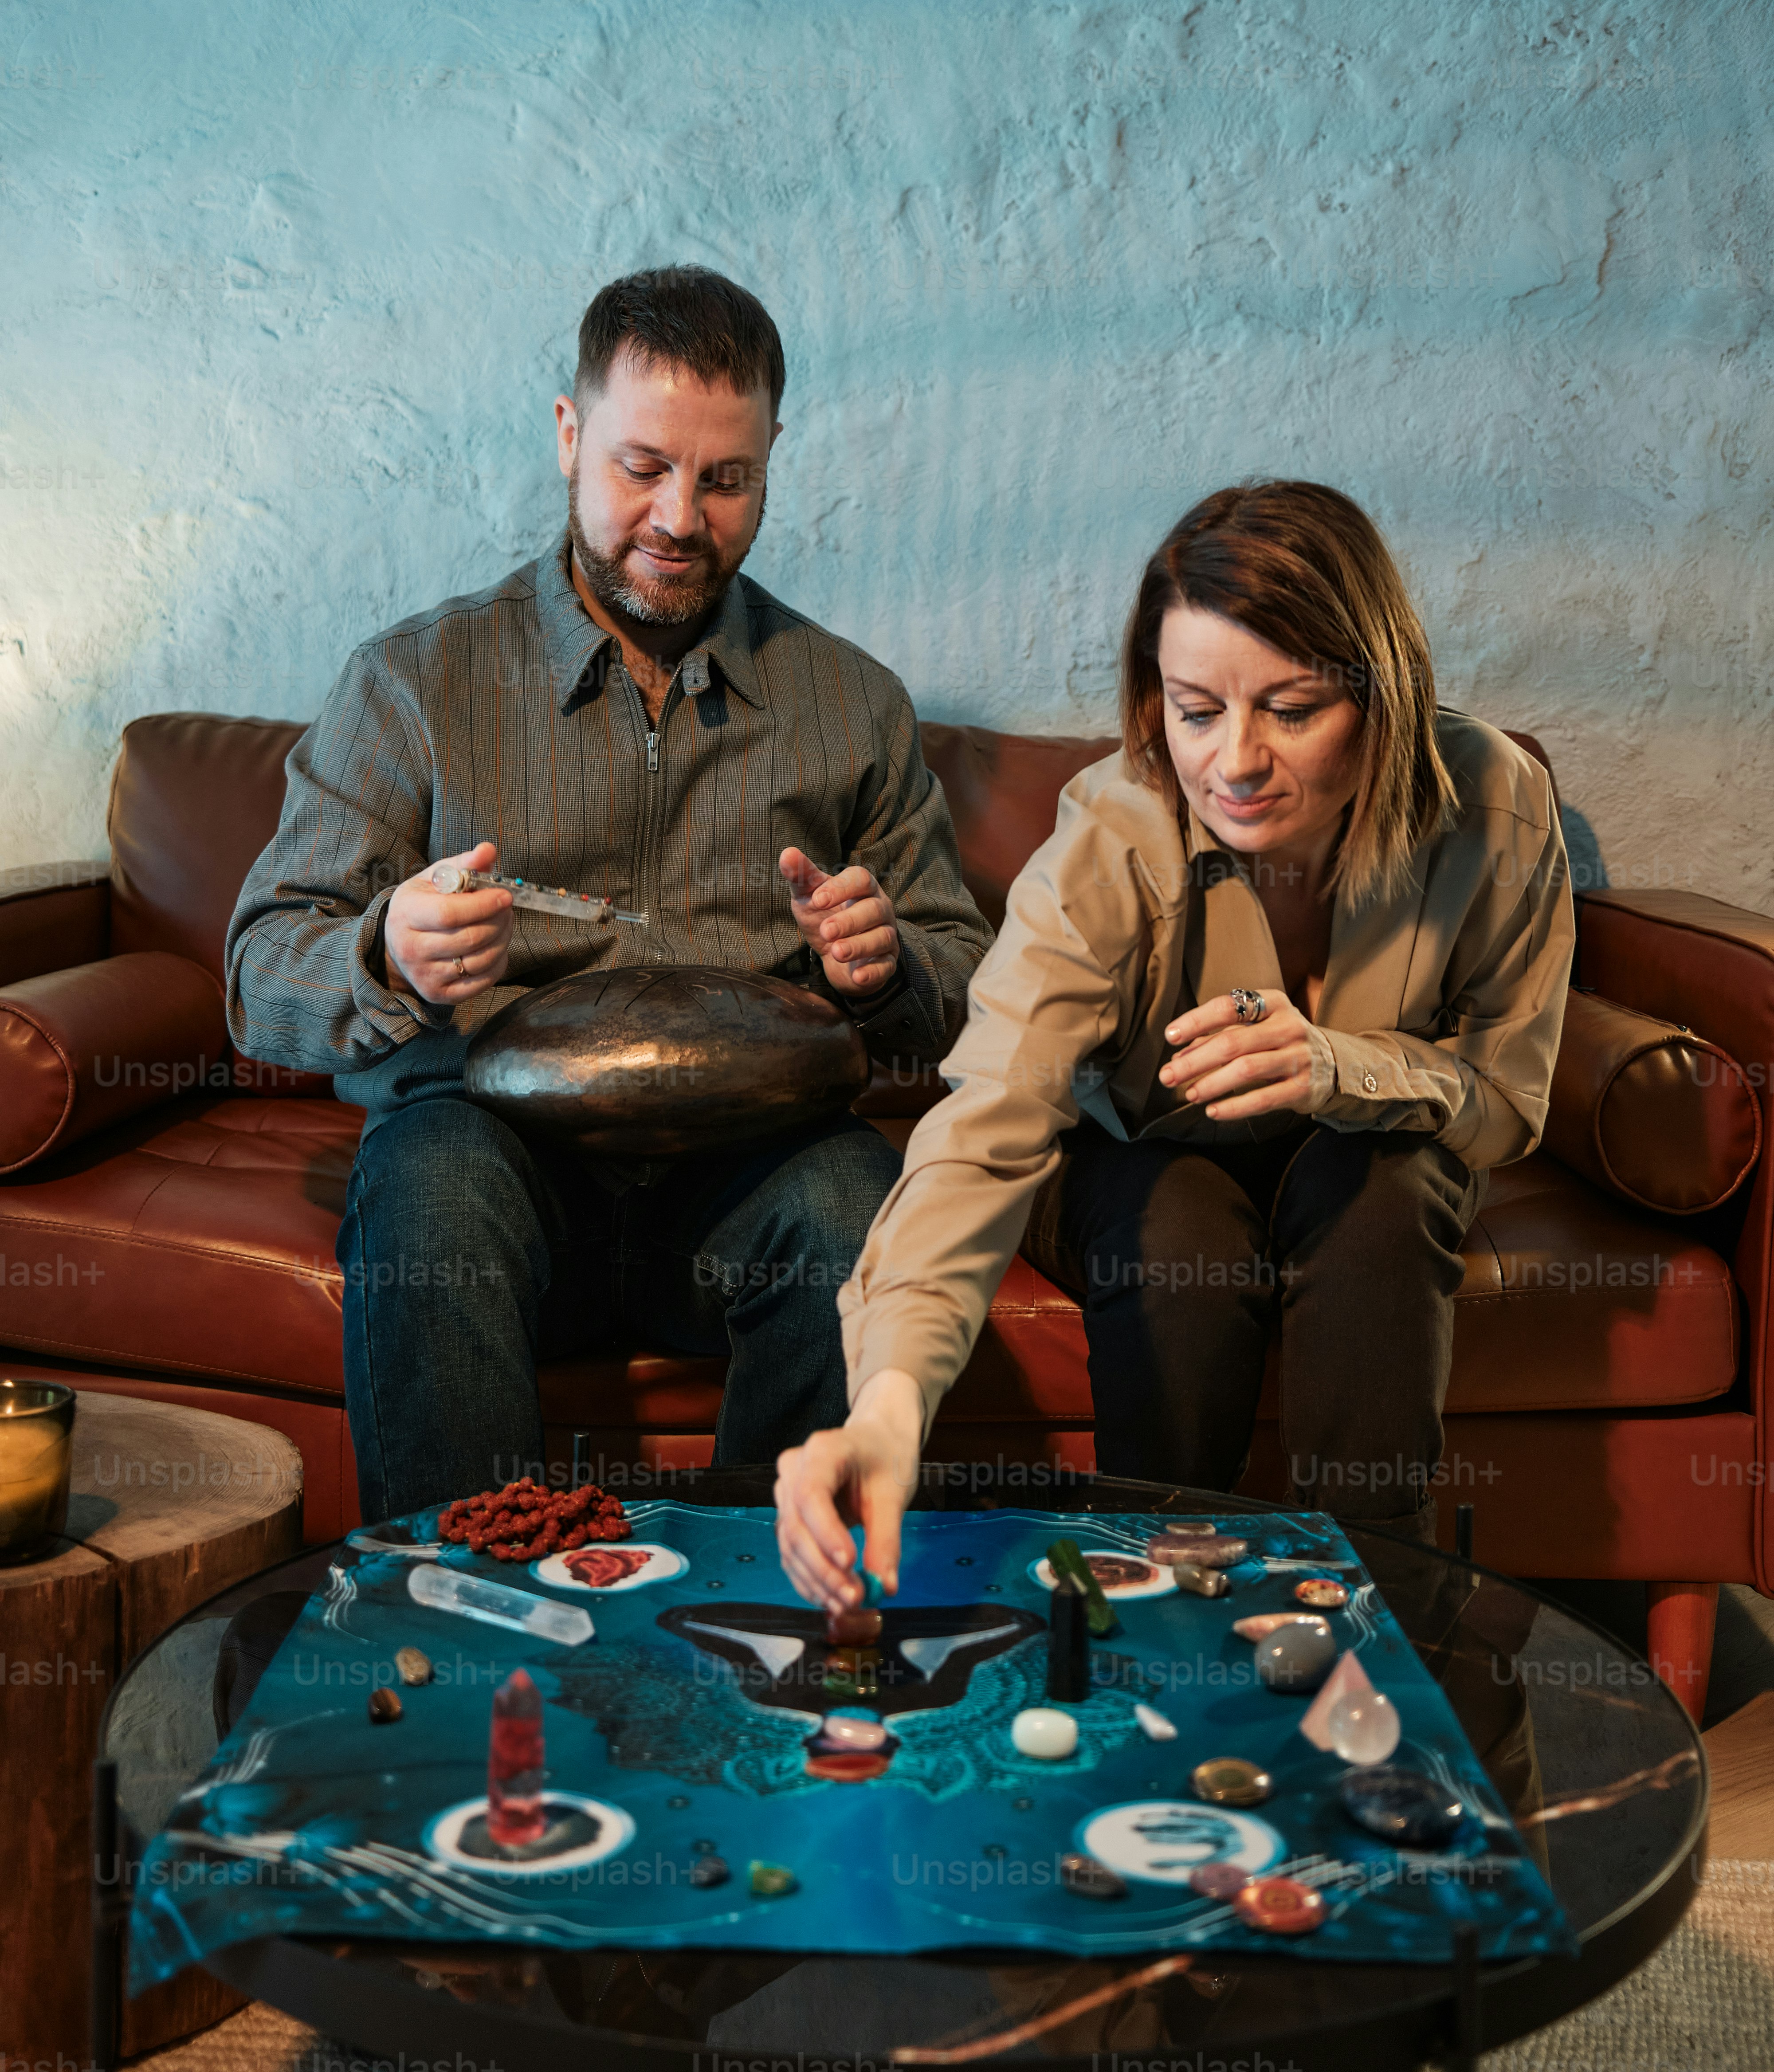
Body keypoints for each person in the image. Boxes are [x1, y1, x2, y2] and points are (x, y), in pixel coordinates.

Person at [226, 266, 990, 1521]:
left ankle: (765, 1609)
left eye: (727, 478)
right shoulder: (415, 680)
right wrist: (388, 954)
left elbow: (965, 981)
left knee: (859, 1204)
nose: (680, 518)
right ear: (570, 435)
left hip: (749, 1167)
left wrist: (888, 966)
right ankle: (469, 1611)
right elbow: (262, 973)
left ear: (772, 459)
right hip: (488, 1155)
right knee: (430, 1189)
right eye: (643, 467)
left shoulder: (852, 703)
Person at [776, 479, 1575, 1610]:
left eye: (1290, 709)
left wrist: (1336, 1067)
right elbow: (986, 1117)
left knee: (1386, 1190)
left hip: (1369, 1155)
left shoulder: (1495, 804)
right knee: (1181, 1225)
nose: (1234, 761)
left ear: (1381, 695)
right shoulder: (1110, 833)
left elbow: (1506, 1102)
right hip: (1130, 1156)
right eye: (1196, 711)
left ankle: (1376, 1603)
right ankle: (1159, 1597)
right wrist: (889, 1402)